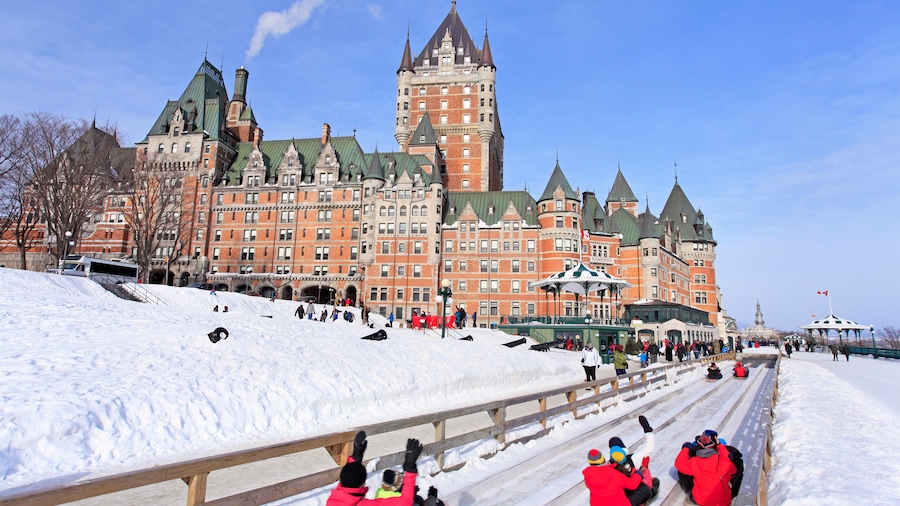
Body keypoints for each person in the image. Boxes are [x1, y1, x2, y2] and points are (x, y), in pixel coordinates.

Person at [326, 431, 422, 505]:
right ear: (363, 483)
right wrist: (410, 467)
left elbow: (348, 481)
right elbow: (405, 502)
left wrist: (355, 458)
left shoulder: (333, 500)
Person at [675, 430, 742, 506]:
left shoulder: (694, 462)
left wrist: (686, 448)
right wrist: (720, 446)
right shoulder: (725, 462)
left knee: (683, 470)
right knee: (736, 469)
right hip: (723, 502)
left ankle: (689, 494)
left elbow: (679, 463)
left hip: (701, 501)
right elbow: (731, 465)